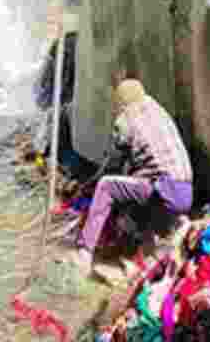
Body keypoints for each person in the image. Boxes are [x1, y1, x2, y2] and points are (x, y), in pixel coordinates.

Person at [73, 78, 194, 283]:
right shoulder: (158, 111)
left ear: (122, 102)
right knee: (136, 190)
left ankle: (84, 251)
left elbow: (114, 163)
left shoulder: (126, 120)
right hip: (185, 191)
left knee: (106, 186)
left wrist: (91, 182)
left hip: (164, 189)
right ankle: (147, 245)